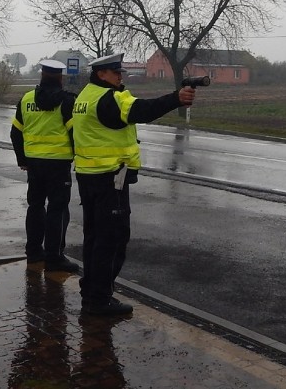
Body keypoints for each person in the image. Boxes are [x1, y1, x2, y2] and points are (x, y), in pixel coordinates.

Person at [73, 53, 196, 315]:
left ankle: (91, 292)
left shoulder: (85, 95)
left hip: (88, 175)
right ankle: (99, 300)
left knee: (94, 237)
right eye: (116, 73)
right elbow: (142, 111)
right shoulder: (109, 99)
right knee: (113, 240)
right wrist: (176, 99)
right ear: (101, 74)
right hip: (109, 179)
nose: (121, 77)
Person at [10, 59, 79, 272]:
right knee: (57, 209)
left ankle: (33, 253)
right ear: (61, 77)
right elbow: (75, 133)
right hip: (58, 164)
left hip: (34, 165)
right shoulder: (67, 101)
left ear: (41, 74)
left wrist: (22, 160)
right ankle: (54, 257)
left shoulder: (27, 99)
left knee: (35, 207)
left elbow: (15, 132)